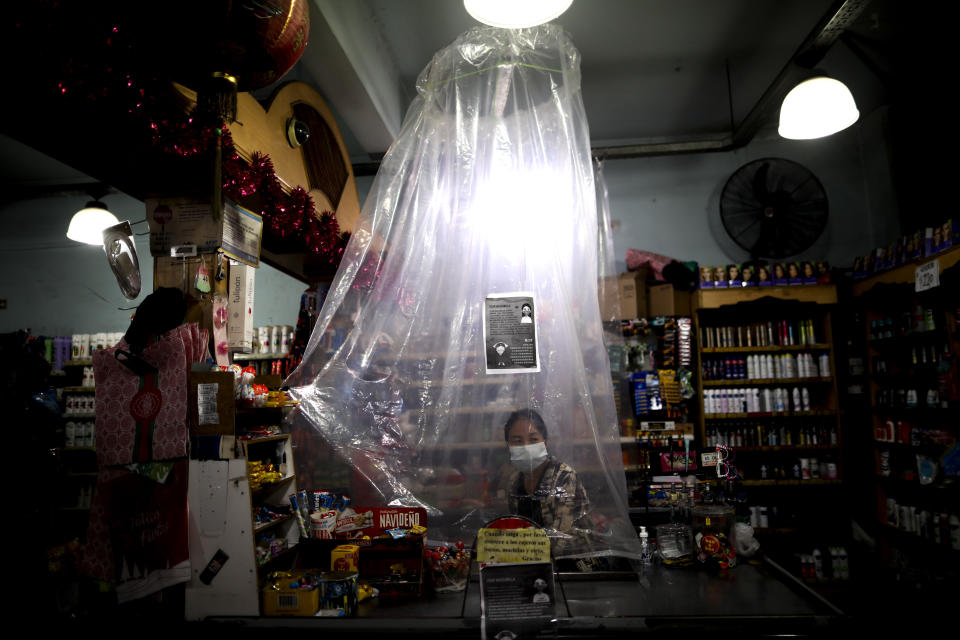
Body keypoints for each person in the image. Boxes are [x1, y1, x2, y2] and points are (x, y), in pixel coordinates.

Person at [503, 409, 591, 544]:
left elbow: (563, 536)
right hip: (528, 559)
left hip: (569, 559)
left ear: (545, 442)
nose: (526, 447)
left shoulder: (565, 477)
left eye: (533, 439)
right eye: (518, 440)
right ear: (509, 445)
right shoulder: (514, 481)